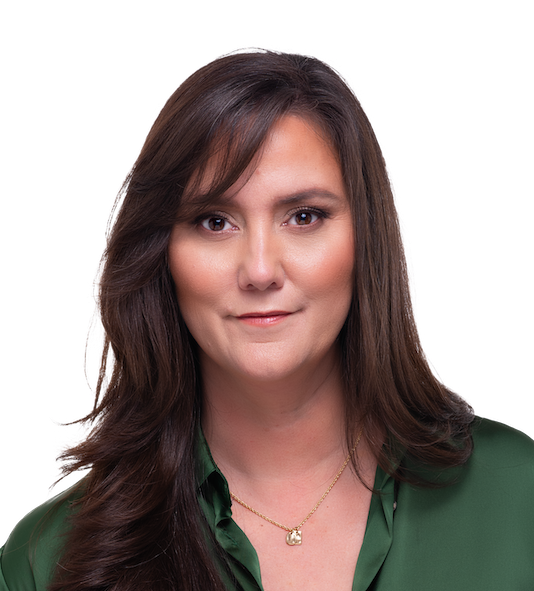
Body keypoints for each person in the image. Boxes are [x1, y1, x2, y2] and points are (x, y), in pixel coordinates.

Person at [1, 45, 533, 591]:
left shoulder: (521, 496)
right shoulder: (52, 559)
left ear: (366, 240)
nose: (259, 271)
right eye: (214, 221)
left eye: (304, 216)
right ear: (161, 254)